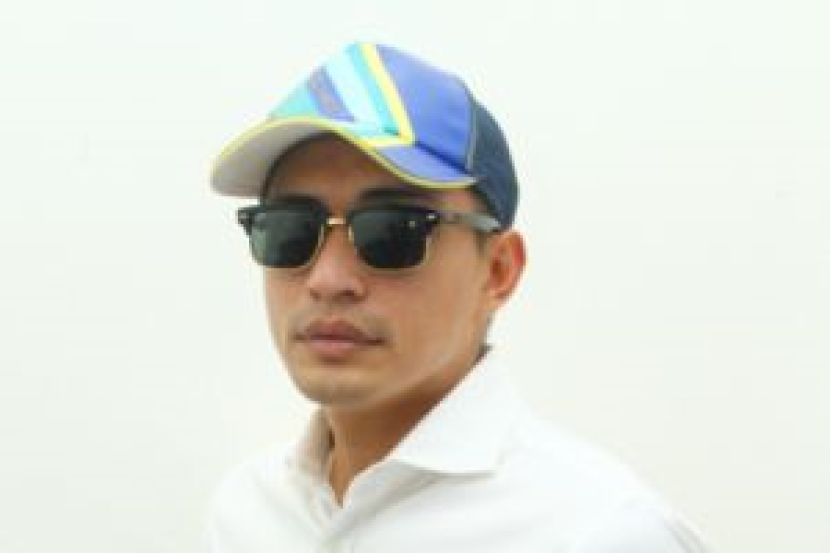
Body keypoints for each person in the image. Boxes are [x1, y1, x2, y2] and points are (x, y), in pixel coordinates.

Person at [206, 42, 708, 552]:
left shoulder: (600, 533)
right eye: (290, 228)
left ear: (498, 270)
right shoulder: (248, 512)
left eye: (394, 231)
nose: (328, 278)